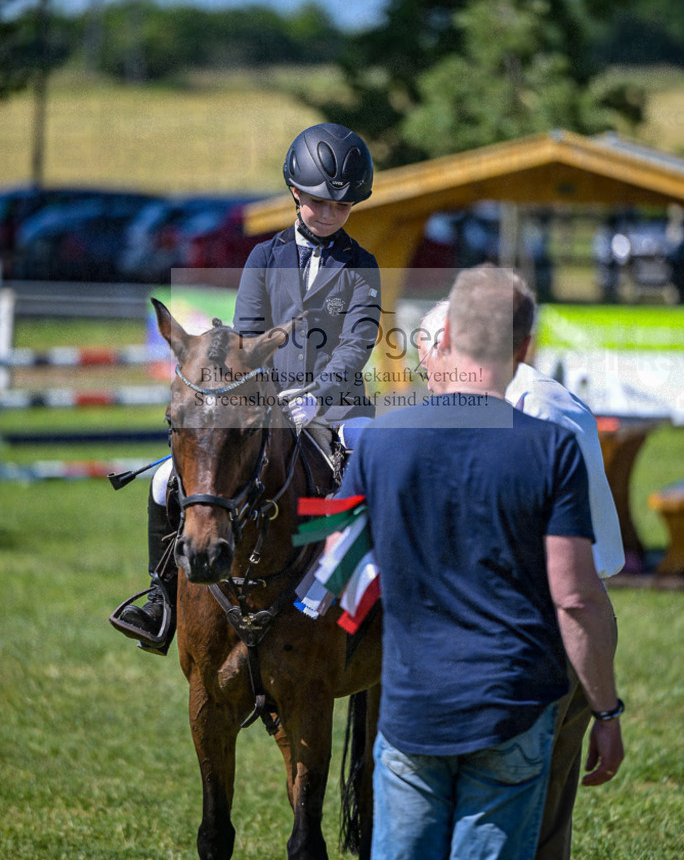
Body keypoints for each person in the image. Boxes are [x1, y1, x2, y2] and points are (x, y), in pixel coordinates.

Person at [336, 266, 624, 860]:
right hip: (515, 695)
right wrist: (607, 708)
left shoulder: (381, 439)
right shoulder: (550, 444)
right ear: (525, 347)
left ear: (447, 339)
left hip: (413, 702)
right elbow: (576, 595)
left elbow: (336, 576)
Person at [112, 123, 381, 654]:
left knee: (379, 467)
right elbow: (250, 338)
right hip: (266, 401)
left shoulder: (361, 265)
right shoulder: (263, 257)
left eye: (341, 207)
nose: (328, 215)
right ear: (295, 193)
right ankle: (161, 599)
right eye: (319, 203)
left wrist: (320, 393)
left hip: (340, 405)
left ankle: (383, 609)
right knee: (165, 477)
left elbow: (359, 341)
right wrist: (271, 395)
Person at [415, 289, 625, 860]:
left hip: (550, 625)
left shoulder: (537, 409)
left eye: (425, 363)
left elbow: (563, 566)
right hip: (516, 621)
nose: (426, 379)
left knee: (527, 816)